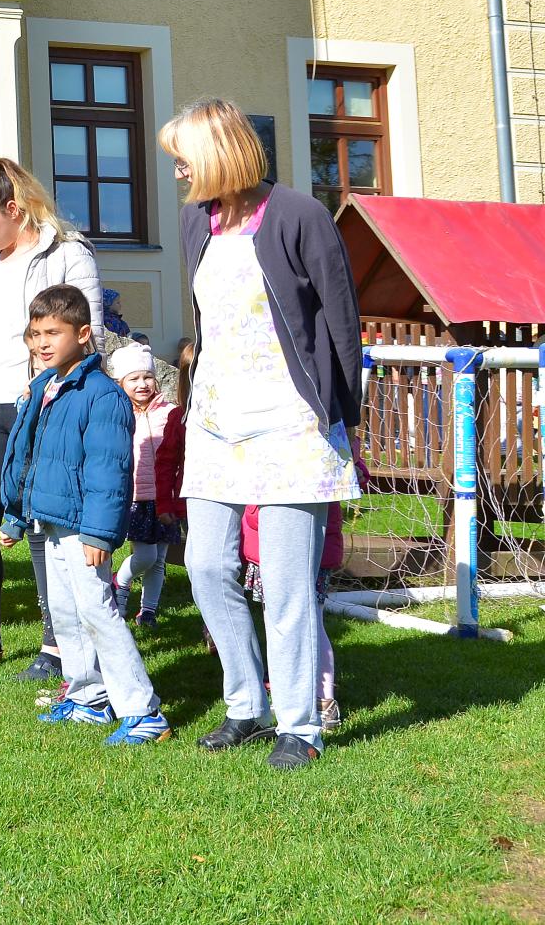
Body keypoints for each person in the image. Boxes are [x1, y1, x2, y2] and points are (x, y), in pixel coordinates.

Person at [165, 98, 361, 770]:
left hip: (291, 423)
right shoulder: (196, 221)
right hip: (216, 421)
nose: (177, 171)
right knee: (204, 566)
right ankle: (245, 705)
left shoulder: (300, 215)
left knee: (284, 583)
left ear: (218, 152)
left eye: (183, 158)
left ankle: (299, 725)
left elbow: (341, 320)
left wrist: (341, 414)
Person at [0, 157, 103, 677]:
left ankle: (56, 644)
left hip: (41, 404)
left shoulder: (67, 254)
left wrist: (63, 397)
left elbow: (90, 331)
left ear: (13, 209)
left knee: (39, 522)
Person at [0, 285, 172, 746]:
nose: (42, 343)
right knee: (65, 611)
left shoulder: (102, 395)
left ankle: (143, 710)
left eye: (53, 333)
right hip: (50, 520)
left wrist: (98, 533)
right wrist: (16, 515)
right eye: (36, 334)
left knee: (97, 611)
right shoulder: (45, 387)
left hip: (83, 527)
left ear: (82, 333)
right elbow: (28, 457)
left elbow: (109, 470)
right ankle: (89, 697)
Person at [241, 500, 346, 733]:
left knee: (309, 623)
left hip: (305, 550)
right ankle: (288, 697)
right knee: (278, 623)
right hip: (266, 549)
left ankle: (323, 699)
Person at [107, 343, 184, 631]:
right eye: (134, 379)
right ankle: (120, 583)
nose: (143, 384)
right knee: (145, 556)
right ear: (121, 382)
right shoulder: (118, 413)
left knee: (159, 559)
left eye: (147, 377)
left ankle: (148, 611)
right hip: (136, 498)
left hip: (164, 497)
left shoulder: (168, 412)